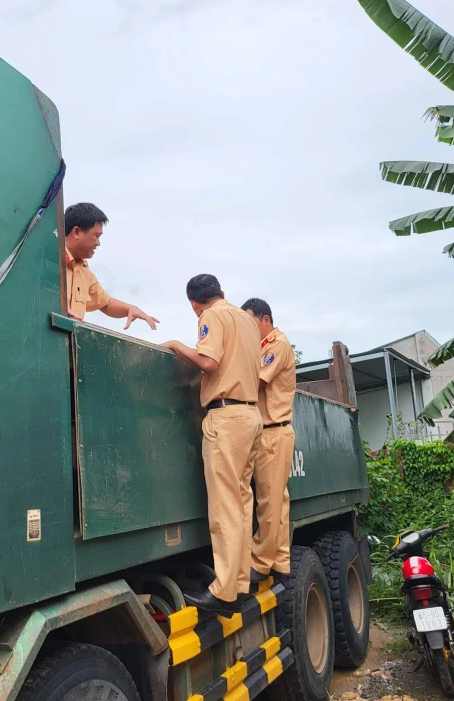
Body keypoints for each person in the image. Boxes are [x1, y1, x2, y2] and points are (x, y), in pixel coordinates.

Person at [162, 274, 262, 613]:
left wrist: (177, 346)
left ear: (194, 304)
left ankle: (224, 591)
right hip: (251, 415)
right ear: (222, 292)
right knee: (243, 504)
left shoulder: (211, 316)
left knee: (225, 508)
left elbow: (209, 362)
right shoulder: (246, 320)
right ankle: (240, 583)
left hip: (226, 416)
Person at [242, 298, 296, 586]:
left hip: (272, 431)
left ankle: (261, 562)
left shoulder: (276, 345)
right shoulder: (264, 346)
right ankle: (280, 560)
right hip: (274, 431)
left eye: (251, 322)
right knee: (277, 501)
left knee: (268, 502)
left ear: (266, 319)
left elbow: (256, 382)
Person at [63, 203, 159, 329]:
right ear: (76, 232)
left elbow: (105, 303)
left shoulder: (84, 273)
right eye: (96, 236)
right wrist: (55, 307)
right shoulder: (47, 259)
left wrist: (130, 309)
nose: (98, 243)